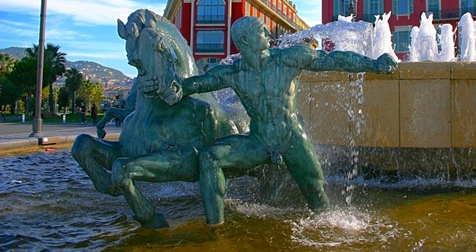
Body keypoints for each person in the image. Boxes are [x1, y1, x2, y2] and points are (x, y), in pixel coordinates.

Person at [142, 16, 398, 227]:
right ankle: (215, 227)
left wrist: (374, 64)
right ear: (245, 40)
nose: (266, 30)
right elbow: (191, 85)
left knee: (316, 191)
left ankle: (323, 226)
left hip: (290, 138)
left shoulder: (287, 59)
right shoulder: (233, 72)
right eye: (258, 29)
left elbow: (333, 60)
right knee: (209, 157)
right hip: (259, 140)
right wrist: (166, 87)